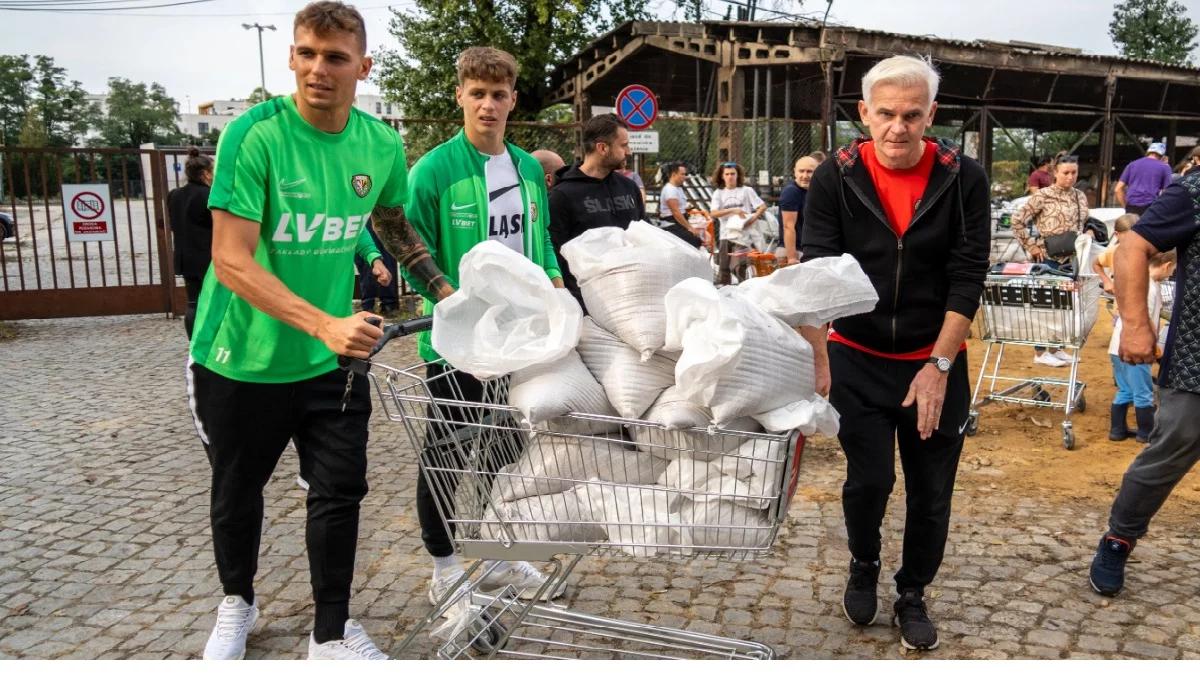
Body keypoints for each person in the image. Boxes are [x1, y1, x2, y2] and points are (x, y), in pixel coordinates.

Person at [189, 1, 399, 660]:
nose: (318, 69)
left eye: (335, 57)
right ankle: (237, 602)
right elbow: (230, 258)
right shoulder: (254, 135)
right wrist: (323, 323)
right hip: (240, 359)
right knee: (237, 491)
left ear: (362, 66)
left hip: (331, 361)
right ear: (290, 57)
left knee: (339, 493)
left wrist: (453, 293)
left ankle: (330, 635)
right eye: (306, 53)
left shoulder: (381, 143)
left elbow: (392, 226)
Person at [799, 55, 990, 651]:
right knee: (869, 480)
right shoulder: (837, 174)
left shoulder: (964, 178)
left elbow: (968, 275)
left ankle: (912, 592)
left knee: (932, 489)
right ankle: (863, 563)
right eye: (886, 114)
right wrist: (819, 354)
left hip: (933, 357)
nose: (899, 128)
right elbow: (817, 269)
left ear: (931, 115)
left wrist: (938, 365)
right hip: (857, 352)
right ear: (865, 113)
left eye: (913, 115)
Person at [399, 46, 566, 607]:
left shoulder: (525, 168)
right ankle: (444, 567)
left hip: (519, 338)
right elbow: (403, 238)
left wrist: (554, 285)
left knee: (506, 450)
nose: (488, 105)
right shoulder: (435, 169)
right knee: (447, 452)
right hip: (458, 343)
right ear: (460, 97)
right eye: (477, 93)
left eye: (498, 94)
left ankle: (497, 554)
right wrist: (443, 295)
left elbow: (539, 241)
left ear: (513, 99)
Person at [1088, 165, 1200, 597]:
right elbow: (1131, 247)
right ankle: (1119, 538)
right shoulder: (1195, 189)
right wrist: (1135, 325)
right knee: (1170, 450)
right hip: (1196, 361)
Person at [548, 113, 644, 308]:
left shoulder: (629, 188)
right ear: (602, 148)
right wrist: (578, 305)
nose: (629, 151)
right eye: (623, 145)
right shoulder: (562, 196)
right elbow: (557, 258)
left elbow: (644, 236)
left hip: (634, 298)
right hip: (588, 305)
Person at [1010, 155, 1090, 367]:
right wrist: (1031, 246)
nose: (1070, 177)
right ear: (1055, 173)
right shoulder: (1042, 196)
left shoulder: (1080, 197)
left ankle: (1056, 348)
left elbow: (1084, 222)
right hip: (1047, 258)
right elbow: (1017, 220)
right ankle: (1040, 351)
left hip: (1072, 258)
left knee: (1064, 306)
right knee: (1045, 305)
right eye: (1065, 173)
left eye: (1074, 172)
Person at [1107, 249, 1175, 442]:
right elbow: (1145, 318)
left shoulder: (1140, 281)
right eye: (1173, 269)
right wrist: (1154, 344)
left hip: (1117, 346)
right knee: (1143, 392)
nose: (1171, 274)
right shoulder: (1149, 287)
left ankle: (1118, 430)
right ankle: (1147, 433)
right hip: (1136, 347)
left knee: (1126, 390)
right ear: (1166, 265)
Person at [167, 147, 213, 339]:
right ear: (205, 173)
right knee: (213, 301)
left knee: (193, 302)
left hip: (185, 256)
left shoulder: (174, 194)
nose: (214, 175)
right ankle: (211, 340)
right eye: (213, 171)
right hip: (207, 256)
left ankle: (194, 341)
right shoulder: (208, 195)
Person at [709, 161, 766, 284]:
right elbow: (713, 213)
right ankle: (725, 292)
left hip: (743, 236)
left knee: (740, 265)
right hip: (726, 234)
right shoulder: (718, 193)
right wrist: (733, 210)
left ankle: (744, 289)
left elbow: (762, 206)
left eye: (733, 174)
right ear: (722, 176)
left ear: (737, 175)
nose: (730, 177)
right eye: (727, 174)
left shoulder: (746, 191)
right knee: (724, 267)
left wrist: (752, 219)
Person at [354, 222, 400, 315]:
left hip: (381, 217)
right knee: (366, 259)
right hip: (364, 218)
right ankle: (370, 305)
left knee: (384, 257)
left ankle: (387, 304)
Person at [780, 155, 817, 265]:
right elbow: (788, 226)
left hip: (807, 249)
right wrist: (791, 257)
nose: (805, 176)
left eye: (809, 171)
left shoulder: (814, 191)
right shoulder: (791, 192)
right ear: (795, 171)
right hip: (794, 250)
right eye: (801, 171)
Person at [1115, 143, 1173, 214]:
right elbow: (1167, 191)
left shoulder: (1132, 165)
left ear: (1148, 152)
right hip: (1151, 208)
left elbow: (1117, 189)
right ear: (1162, 155)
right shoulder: (1165, 167)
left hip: (1131, 207)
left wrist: (1125, 207)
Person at [656, 160, 703, 248]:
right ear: (674, 174)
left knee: (702, 235)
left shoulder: (678, 188)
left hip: (679, 223)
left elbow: (681, 208)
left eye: (685, 174)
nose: (685, 177)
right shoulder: (670, 189)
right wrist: (690, 228)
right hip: (671, 225)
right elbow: (676, 213)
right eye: (682, 174)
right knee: (695, 241)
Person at [1094, 213, 1139, 295]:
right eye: (1127, 237)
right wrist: (1106, 281)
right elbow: (1096, 264)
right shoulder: (1113, 251)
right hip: (1117, 296)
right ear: (1117, 235)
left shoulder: (1143, 252)